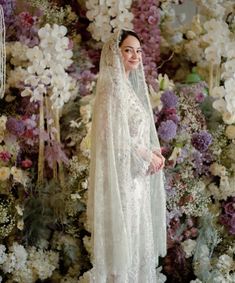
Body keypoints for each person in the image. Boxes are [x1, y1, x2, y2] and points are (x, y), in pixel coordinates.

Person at [87, 29, 166, 282]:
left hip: (135, 180)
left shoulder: (129, 88)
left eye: (139, 50)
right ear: (115, 53)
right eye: (128, 50)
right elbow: (111, 138)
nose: (135, 55)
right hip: (122, 181)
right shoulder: (112, 88)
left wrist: (154, 153)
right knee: (123, 245)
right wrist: (146, 156)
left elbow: (135, 134)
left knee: (135, 241)